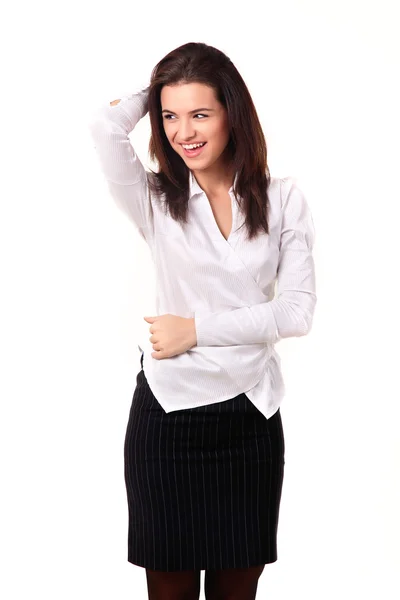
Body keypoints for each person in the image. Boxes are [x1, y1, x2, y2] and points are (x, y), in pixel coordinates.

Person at [88, 42, 317, 600]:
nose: (182, 131)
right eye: (169, 116)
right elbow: (102, 126)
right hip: (167, 420)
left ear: (232, 112)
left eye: (200, 113)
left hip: (249, 418)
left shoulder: (283, 200)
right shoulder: (153, 199)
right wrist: (159, 84)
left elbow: (297, 312)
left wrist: (195, 330)